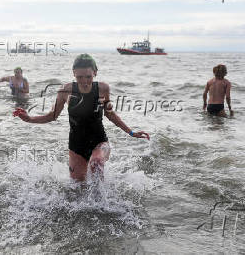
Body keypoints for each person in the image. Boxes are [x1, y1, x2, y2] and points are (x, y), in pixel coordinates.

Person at [13, 54, 150, 181]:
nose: (84, 81)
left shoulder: (103, 89)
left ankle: (103, 204)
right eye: (79, 77)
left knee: (96, 163)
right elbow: (52, 116)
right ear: (73, 73)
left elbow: (110, 114)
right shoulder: (65, 91)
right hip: (76, 145)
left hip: (99, 141)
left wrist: (131, 132)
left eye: (88, 77)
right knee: (78, 188)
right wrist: (29, 118)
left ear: (95, 72)